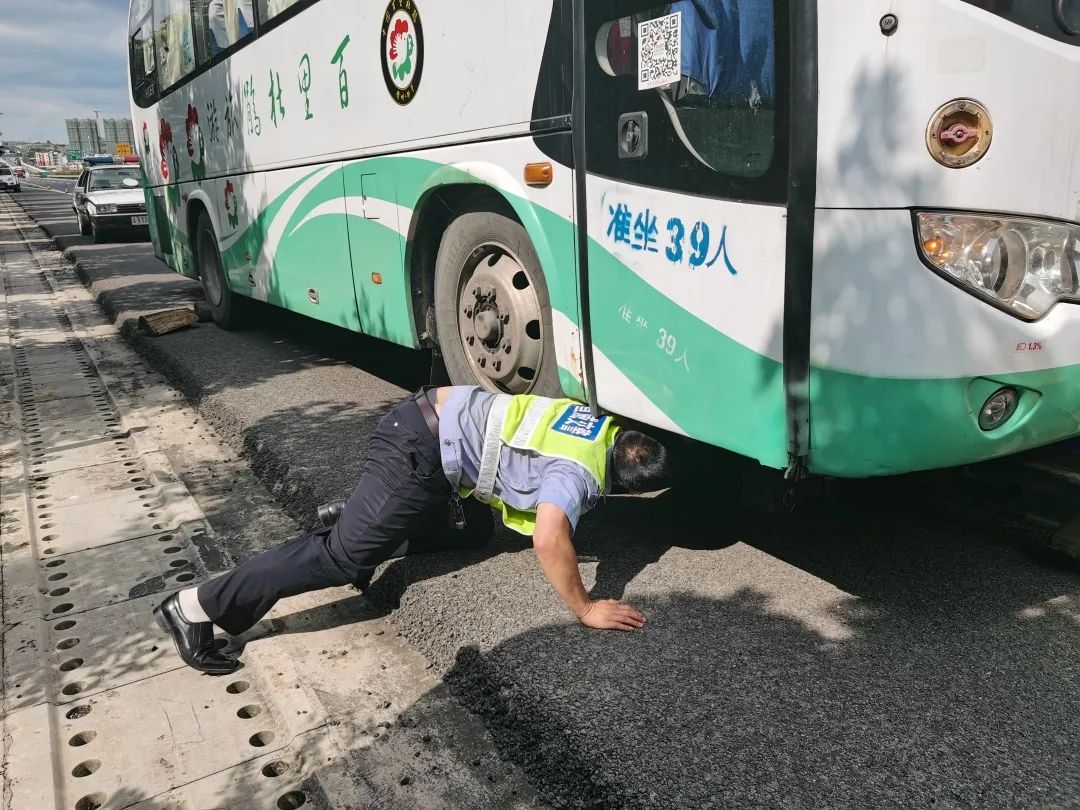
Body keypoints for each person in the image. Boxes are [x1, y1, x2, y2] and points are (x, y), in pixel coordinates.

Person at [155, 386, 673, 674]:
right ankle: (193, 606)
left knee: (472, 533)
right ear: (625, 486)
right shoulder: (580, 473)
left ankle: (366, 517)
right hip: (417, 453)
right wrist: (585, 607)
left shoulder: (592, 421)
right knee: (340, 559)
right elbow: (548, 537)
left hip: (428, 428)